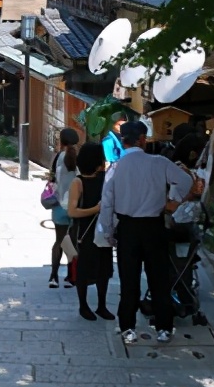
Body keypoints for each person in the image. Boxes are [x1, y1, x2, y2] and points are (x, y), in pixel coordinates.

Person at [98, 120, 203, 344]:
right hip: (154, 227)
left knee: (129, 279)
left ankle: (127, 327)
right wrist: (172, 202)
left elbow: (106, 203)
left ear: (124, 141)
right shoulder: (159, 162)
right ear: (142, 139)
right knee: (159, 278)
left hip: (127, 228)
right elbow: (185, 181)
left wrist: (107, 231)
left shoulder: (115, 167)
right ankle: (164, 327)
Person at [66, 142, 114, 321]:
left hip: (103, 230)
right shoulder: (78, 182)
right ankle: (83, 305)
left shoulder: (105, 178)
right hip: (84, 232)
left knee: (104, 269)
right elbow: (72, 212)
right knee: (84, 269)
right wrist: (96, 209)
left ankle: (101, 305)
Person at [47, 128, 79, 288]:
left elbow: (51, 180)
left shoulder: (57, 158)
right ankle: (71, 276)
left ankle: (53, 276)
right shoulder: (79, 158)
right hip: (75, 206)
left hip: (59, 205)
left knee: (59, 241)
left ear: (61, 141)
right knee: (72, 241)